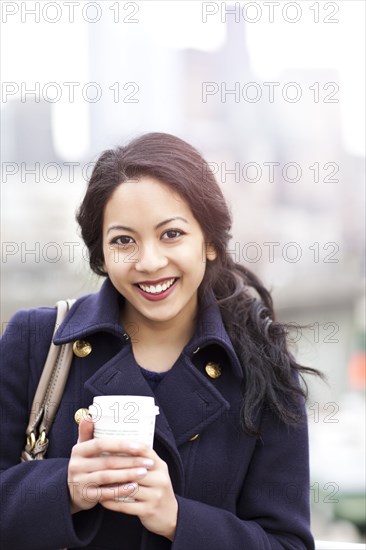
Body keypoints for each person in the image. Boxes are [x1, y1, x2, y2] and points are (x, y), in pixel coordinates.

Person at [0, 132, 321, 550]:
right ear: (101, 253)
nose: (149, 262)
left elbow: (288, 544)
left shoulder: (264, 366)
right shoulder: (37, 342)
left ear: (208, 242)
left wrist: (178, 520)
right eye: (123, 241)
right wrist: (65, 489)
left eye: (171, 234)